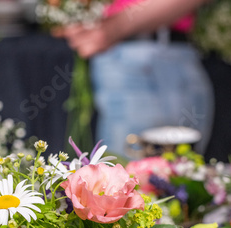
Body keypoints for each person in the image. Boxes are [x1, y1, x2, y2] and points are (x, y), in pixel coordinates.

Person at [55, 0, 214, 156]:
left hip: (155, 54)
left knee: (174, 172)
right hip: (130, 54)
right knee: (132, 173)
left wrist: (113, 28)